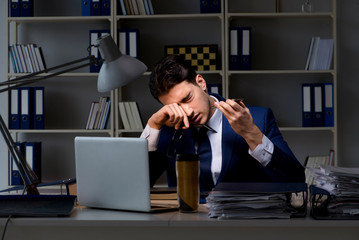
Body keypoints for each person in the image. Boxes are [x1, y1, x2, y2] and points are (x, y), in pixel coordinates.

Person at [141, 55, 305, 192]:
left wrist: (251, 133)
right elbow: (138, 185)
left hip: (243, 225)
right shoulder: (167, 130)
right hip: (187, 226)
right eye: (176, 105)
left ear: (201, 83)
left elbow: (295, 181)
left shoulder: (259, 118)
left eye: (187, 98)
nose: (188, 112)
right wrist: (153, 126)